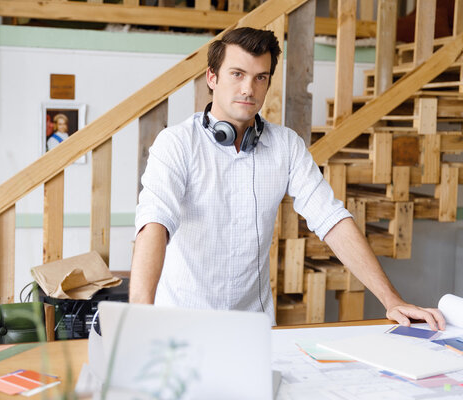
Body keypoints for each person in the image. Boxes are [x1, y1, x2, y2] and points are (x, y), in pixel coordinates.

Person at [129, 27, 445, 330]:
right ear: (212, 78)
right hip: (181, 325)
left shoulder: (286, 145)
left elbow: (331, 219)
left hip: (253, 329)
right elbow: (154, 224)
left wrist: (391, 300)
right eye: (237, 74)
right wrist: (139, 320)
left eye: (260, 78)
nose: (248, 89)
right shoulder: (176, 144)